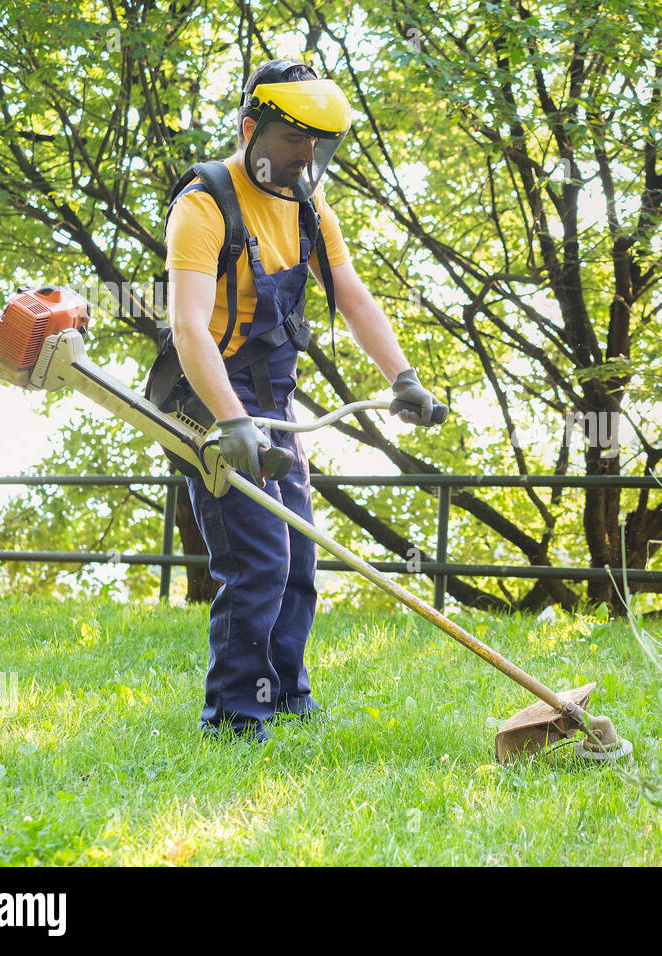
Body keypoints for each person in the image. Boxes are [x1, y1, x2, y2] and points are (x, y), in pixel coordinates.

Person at [164, 59, 440, 742]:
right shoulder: (204, 205)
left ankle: (286, 695)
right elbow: (187, 329)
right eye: (294, 142)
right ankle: (234, 716)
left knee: (299, 555)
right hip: (209, 396)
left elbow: (350, 295)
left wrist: (402, 377)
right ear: (252, 128)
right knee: (258, 559)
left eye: (317, 145)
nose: (305, 158)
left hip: (273, 399)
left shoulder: (309, 206)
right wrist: (229, 421)